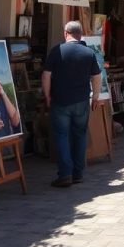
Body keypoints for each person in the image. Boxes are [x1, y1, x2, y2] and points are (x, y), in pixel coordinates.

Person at [42, 21, 101, 187]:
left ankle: (65, 174)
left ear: (65, 33)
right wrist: (95, 96)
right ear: (80, 34)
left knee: (61, 135)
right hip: (82, 100)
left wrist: (47, 95)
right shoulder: (89, 52)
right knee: (80, 135)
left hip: (60, 100)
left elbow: (46, 75)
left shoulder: (56, 50)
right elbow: (96, 76)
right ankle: (78, 173)